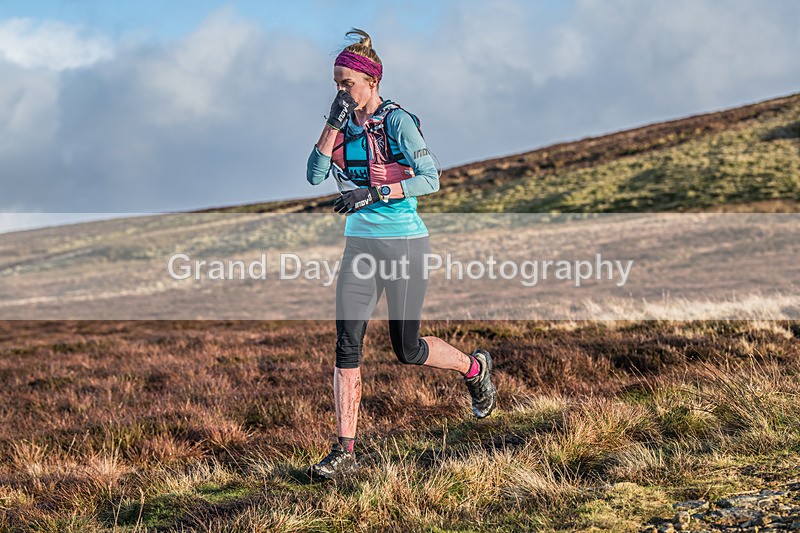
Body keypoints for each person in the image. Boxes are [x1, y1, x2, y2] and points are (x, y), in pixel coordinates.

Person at [305, 28, 496, 481]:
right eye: (336, 84)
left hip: (405, 244)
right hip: (359, 247)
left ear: (371, 82)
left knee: (407, 349)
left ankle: (474, 368)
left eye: (347, 84)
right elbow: (314, 174)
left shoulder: (397, 120)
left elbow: (431, 177)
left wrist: (373, 193)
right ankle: (344, 451)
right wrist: (332, 121)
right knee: (347, 342)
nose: (341, 91)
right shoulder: (342, 125)